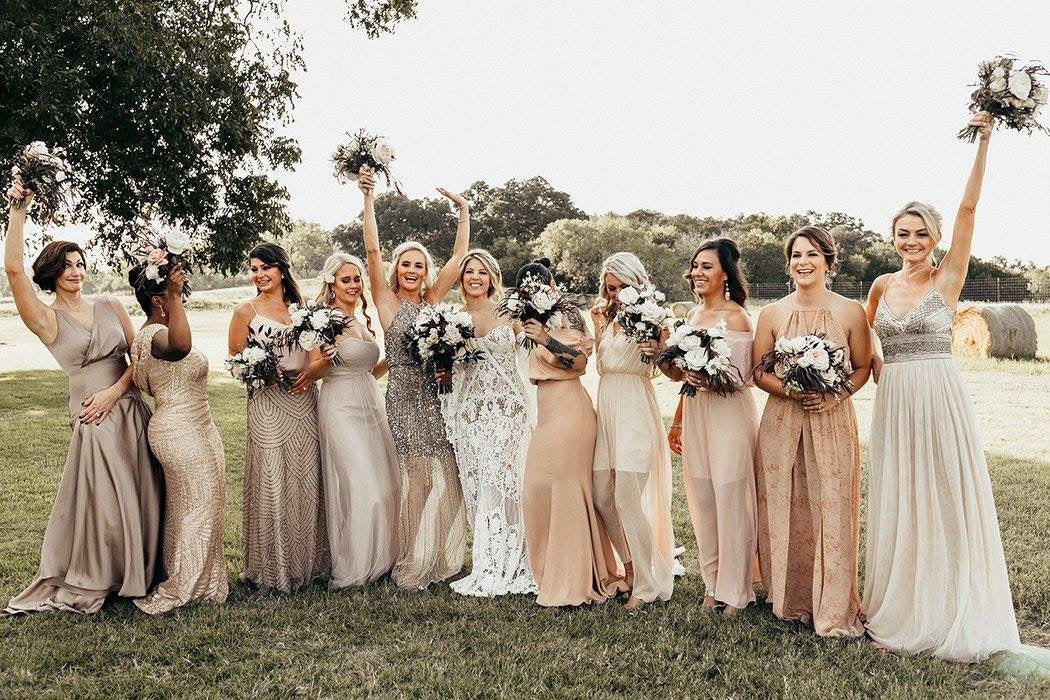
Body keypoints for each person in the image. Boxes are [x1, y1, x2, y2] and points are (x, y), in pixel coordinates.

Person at [863, 112, 1032, 663]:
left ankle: (950, 608)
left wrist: (984, 141)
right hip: (895, 400)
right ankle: (905, 605)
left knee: (942, 495)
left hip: (938, 395)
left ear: (935, 238)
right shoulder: (881, 285)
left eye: (921, 234)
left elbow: (968, 210)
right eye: (902, 233)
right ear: (892, 237)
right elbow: (866, 343)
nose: (911, 242)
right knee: (901, 498)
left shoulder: (948, 277)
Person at [3, 178, 162, 615]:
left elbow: (140, 358)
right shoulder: (46, 320)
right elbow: (14, 270)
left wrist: (115, 391)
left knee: (143, 491)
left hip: (129, 409)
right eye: (66, 265)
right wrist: (19, 208)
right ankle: (106, 575)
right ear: (52, 272)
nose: (76, 271)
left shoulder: (110, 305)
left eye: (79, 262)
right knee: (106, 504)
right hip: (93, 418)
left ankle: (146, 572)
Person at [752, 226, 871, 637]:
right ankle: (789, 599)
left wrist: (835, 396)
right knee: (785, 504)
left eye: (812, 255)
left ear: (828, 262)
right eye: (796, 255)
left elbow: (862, 368)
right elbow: (758, 371)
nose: (802, 262)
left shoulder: (849, 311)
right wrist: (790, 389)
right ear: (788, 263)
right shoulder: (772, 313)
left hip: (832, 420)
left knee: (832, 505)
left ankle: (833, 603)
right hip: (782, 422)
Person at [356, 169, 469, 589]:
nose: (411, 269)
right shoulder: (385, 301)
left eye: (419, 265)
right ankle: (409, 562)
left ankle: (438, 557)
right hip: (404, 393)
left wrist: (463, 211)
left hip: (438, 394)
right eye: (405, 263)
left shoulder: (434, 300)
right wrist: (369, 197)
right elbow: (371, 249)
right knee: (418, 476)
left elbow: (458, 261)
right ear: (396, 269)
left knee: (449, 475)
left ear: (425, 272)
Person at [519, 258, 628, 607]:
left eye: (541, 282)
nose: (536, 288)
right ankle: (553, 570)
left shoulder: (570, 316)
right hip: (545, 409)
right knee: (537, 489)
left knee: (567, 491)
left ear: (552, 286)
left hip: (571, 408)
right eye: (528, 284)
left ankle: (576, 579)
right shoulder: (525, 319)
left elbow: (579, 363)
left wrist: (548, 339)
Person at [661, 239, 758, 614]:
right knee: (703, 500)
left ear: (725, 275)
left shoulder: (737, 318)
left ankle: (736, 591)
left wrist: (708, 376)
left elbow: (744, 376)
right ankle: (712, 583)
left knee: (731, 500)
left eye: (706, 267)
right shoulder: (691, 317)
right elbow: (680, 377)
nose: (697, 273)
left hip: (730, 415)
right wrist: (677, 422)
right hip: (697, 414)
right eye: (695, 266)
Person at [227, 242, 329, 593]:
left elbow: (317, 358)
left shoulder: (304, 311)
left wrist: (312, 374)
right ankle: (272, 569)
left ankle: (307, 563)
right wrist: (260, 372)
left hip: (303, 403)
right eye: (254, 269)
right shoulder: (245, 310)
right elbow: (235, 359)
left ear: (282, 270)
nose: (259, 275)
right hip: (267, 403)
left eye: (265, 268)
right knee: (272, 480)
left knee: (303, 480)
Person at [128, 263, 228, 614]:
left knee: (196, 504)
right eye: (176, 294)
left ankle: (205, 579)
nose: (182, 298)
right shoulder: (152, 335)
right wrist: (172, 294)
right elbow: (182, 346)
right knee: (197, 505)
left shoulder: (153, 330)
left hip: (200, 424)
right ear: (159, 300)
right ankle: (184, 584)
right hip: (179, 428)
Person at [442, 249, 537, 597]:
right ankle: (488, 561)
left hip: (508, 409)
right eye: (469, 272)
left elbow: (529, 358)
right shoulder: (452, 320)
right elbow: (450, 373)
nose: (475, 278)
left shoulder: (508, 313)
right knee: (480, 483)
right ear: (462, 279)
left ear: (492, 277)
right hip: (471, 413)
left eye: (482, 272)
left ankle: (516, 560)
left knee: (505, 480)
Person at [591, 252, 676, 609]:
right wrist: (598, 326)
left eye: (621, 286)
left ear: (636, 283)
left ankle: (645, 584)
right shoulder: (605, 317)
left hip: (635, 409)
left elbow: (670, 364)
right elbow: (601, 363)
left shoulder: (655, 315)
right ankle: (629, 565)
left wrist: (659, 349)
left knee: (627, 496)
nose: (614, 294)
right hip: (607, 407)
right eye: (610, 287)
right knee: (602, 493)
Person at [314, 252, 400, 587]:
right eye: (346, 279)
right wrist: (323, 360)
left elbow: (369, 370)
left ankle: (383, 559)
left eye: (357, 279)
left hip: (369, 405)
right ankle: (357, 564)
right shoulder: (323, 320)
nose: (353, 285)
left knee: (386, 483)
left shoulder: (362, 322)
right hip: (340, 407)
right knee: (360, 481)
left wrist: (396, 359)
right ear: (331, 283)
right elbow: (314, 369)